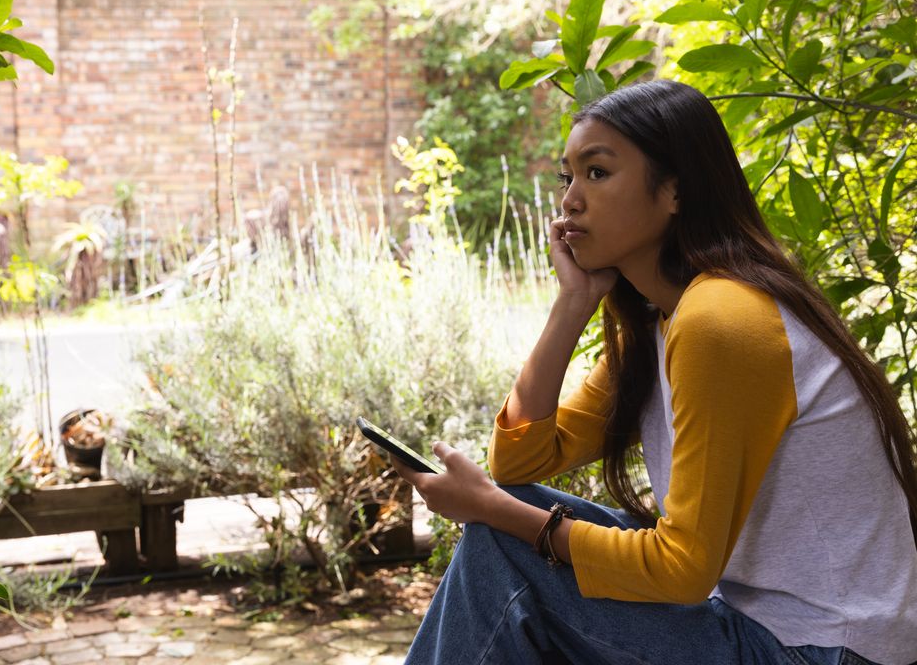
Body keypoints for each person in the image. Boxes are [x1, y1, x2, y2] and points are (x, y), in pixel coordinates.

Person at [391, 80, 917, 665]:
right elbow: (519, 463)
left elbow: (682, 570)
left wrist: (491, 509)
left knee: (502, 540)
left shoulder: (722, 320)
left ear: (673, 191)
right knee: (505, 524)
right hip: (762, 626)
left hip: (826, 649)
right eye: (567, 177)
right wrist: (573, 304)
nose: (569, 200)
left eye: (596, 172)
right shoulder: (662, 322)